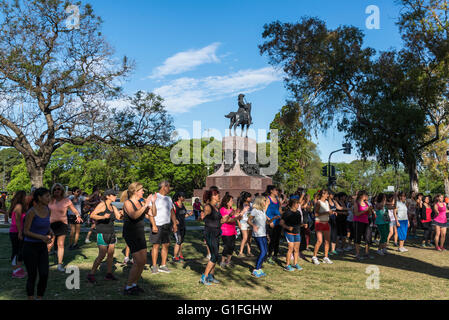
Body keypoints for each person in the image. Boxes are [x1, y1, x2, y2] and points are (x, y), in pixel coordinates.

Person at [122, 182, 155, 295]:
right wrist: (145, 205)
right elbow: (134, 215)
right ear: (135, 191)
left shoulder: (141, 202)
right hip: (131, 234)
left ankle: (134, 285)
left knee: (143, 261)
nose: (143, 192)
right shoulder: (127, 203)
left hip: (139, 233)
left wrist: (152, 203)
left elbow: (152, 214)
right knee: (138, 261)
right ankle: (128, 287)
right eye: (142, 190)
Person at [87, 190, 124, 284]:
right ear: (108, 196)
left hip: (111, 233)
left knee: (111, 254)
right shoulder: (102, 205)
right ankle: (91, 274)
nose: (115, 196)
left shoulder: (113, 206)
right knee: (102, 255)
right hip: (102, 232)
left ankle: (109, 274)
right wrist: (103, 217)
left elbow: (119, 218)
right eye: (114, 195)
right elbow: (92, 215)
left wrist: (122, 214)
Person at [22, 188, 53, 300]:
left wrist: (50, 231)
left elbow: (46, 225)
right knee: (32, 275)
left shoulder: (48, 210)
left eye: (49, 196)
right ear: (39, 198)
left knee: (44, 274)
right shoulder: (32, 212)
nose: (49, 198)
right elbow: (26, 231)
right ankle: (30, 297)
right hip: (30, 247)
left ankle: (39, 297)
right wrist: (42, 237)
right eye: (47, 196)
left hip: (42, 247)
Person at [48, 183, 82, 272]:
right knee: (49, 244)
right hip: (50, 225)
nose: (56, 191)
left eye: (58, 189)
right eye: (55, 189)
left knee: (61, 244)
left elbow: (74, 210)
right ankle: (45, 263)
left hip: (62, 224)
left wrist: (78, 215)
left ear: (62, 190)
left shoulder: (66, 200)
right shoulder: (49, 200)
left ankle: (59, 264)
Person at [200, 189, 228, 285]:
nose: (218, 196)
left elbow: (220, 221)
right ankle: (204, 277)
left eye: (218, 194)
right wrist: (201, 216)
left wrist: (231, 216)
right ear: (211, 197)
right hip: (210, 233)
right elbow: (202, 219)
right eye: (216, 195)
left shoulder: (216, 208)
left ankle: (211, 276)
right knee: (215, 255)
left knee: (214, 255)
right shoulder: (208, 207)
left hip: (216, 233)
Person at [149, 181, 178, 274]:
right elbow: (150, 213)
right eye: (168, 187)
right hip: (157, 225)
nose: (169, 189)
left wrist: (174, 224)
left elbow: (172, 211)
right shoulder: (154, 197)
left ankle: (163, 265)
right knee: (156, 246)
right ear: (164, 187)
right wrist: (153, 225)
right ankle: (154, 266)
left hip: (167, 225)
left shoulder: (168, 198)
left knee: (166, 245)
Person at [247, 196, 275, 278]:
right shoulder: (254, 211)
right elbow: (248, 220)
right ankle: (255, 270)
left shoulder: (262, 211)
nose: (265, 202)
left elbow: (267, 222)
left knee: (265, 252)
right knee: (263, 252)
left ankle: (259, 269)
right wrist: (253, 226)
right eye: (264, 200)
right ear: (260, 201)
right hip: (257, 234)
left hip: (263, 234)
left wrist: (273, 219)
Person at [219, 194, 243, 268]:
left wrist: (239, 219)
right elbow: (227, 220)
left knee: (232, 246)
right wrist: (235, 217)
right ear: (227, 202)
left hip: (232, 230)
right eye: (231, 200)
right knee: (227, 246)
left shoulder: (232, 209)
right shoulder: (222, 209)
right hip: (225, 231)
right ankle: (222, 261)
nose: (232, 202)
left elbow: (235, 217)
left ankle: (228, 261)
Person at [279, 198, 303, 271]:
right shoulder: (287, 213)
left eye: (298, 203)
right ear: (293, 204)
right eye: (297, 203)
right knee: (290, 248)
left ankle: (295, 264)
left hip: (297, 232)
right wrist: (287, 227)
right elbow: (281, 223)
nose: (298, 205)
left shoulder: (298, 212)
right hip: (289, 233)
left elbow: (298, 223)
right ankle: (287, 265)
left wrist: (303, 225)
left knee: (296, 249)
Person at [9, 191, 28, 278]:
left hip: (17, 231)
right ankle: (15, 271)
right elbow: (17, 221)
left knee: (20, 251)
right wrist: (20, 233)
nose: (26, 197)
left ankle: (18, 269)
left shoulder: (19, 206)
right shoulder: (19, 206)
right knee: (17, 251)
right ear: (21, 197)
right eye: (25, 196)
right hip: (16, 231)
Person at [312, 190, 333, 265]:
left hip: (326, 222)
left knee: (327, 241)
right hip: (319, 223)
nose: (328, 195)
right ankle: (314, 257)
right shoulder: (318, 202)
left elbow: (328, 211)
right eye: (327, 194)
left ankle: (325, 257)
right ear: (323, 194)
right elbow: (316, 214)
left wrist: (332, 212)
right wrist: (327, 213)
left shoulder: (327, 202)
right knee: (319, 241)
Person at [172, 192, 193, 263]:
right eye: (182, 196)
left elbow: (184, 216)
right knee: (178, 241)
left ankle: (180, 255)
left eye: (184, 196)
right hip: (176, 226)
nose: (184, 198)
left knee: (181, 242)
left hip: (183, 225)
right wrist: (174, 221)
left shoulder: (183, 205)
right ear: (179, 197)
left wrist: (189, 214)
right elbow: (171, 215)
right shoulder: (174, 205)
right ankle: (175, 257)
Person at [353, 190, 374, 260]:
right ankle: (357, 254)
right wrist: (365, 210)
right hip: (358, 222)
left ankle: (367, 253)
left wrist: (370, 210)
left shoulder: (366, 203)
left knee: (368, 238)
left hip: (366, 222)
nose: (367, 196)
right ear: (361, 196)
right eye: (366, 195)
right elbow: (356, 214)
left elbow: (370, 214)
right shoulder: (356, 203)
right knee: (357, 238)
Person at [265, 185, 282, 264]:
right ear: (271, 191)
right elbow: (263, 211)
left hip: (278, 222)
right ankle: (269, 256)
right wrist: (269, 221)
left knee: (277, 240)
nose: (277, 191)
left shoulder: (277, 199)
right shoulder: (268, 199)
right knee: (272, 240)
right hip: (271, 222)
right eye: (275, 190)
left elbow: (279, 210)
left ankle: (275, 255)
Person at [237, 191, 254, 257]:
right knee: (245, 237)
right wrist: (238, 223)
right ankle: (240, 252)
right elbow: (238, 215)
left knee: (249, 238)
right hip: (243, 222)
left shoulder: (252, 204)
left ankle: (249, 252)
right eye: (249, 197)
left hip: (250, 222)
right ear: (246, 198)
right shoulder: (241, 205)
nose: (250, 198)